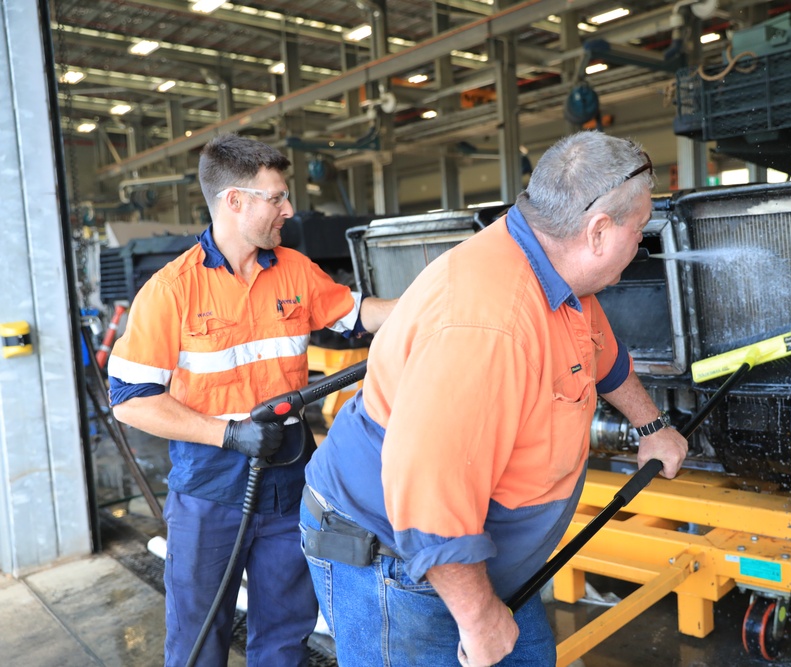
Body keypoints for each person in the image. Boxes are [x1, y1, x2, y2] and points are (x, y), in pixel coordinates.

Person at [300, 131, 688, 667]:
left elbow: (598, 348)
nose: (640, 242)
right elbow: (429, 493)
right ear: (598, 231)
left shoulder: (556, 273)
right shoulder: (488, 326)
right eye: (639, 229)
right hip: (403, 565)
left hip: (483, 563)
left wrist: (652, 426)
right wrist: (479, 617)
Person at [107, 133, 395, 667]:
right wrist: (228, 433)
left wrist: (438, 302)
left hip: (289, 482)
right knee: (199, 638)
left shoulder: (292, 269)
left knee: (287, 635)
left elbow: (360, 315)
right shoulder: (172, 291)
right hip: (210, 489)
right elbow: (128, 401)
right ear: (234, 201)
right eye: (277, 197)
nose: (288, 209)